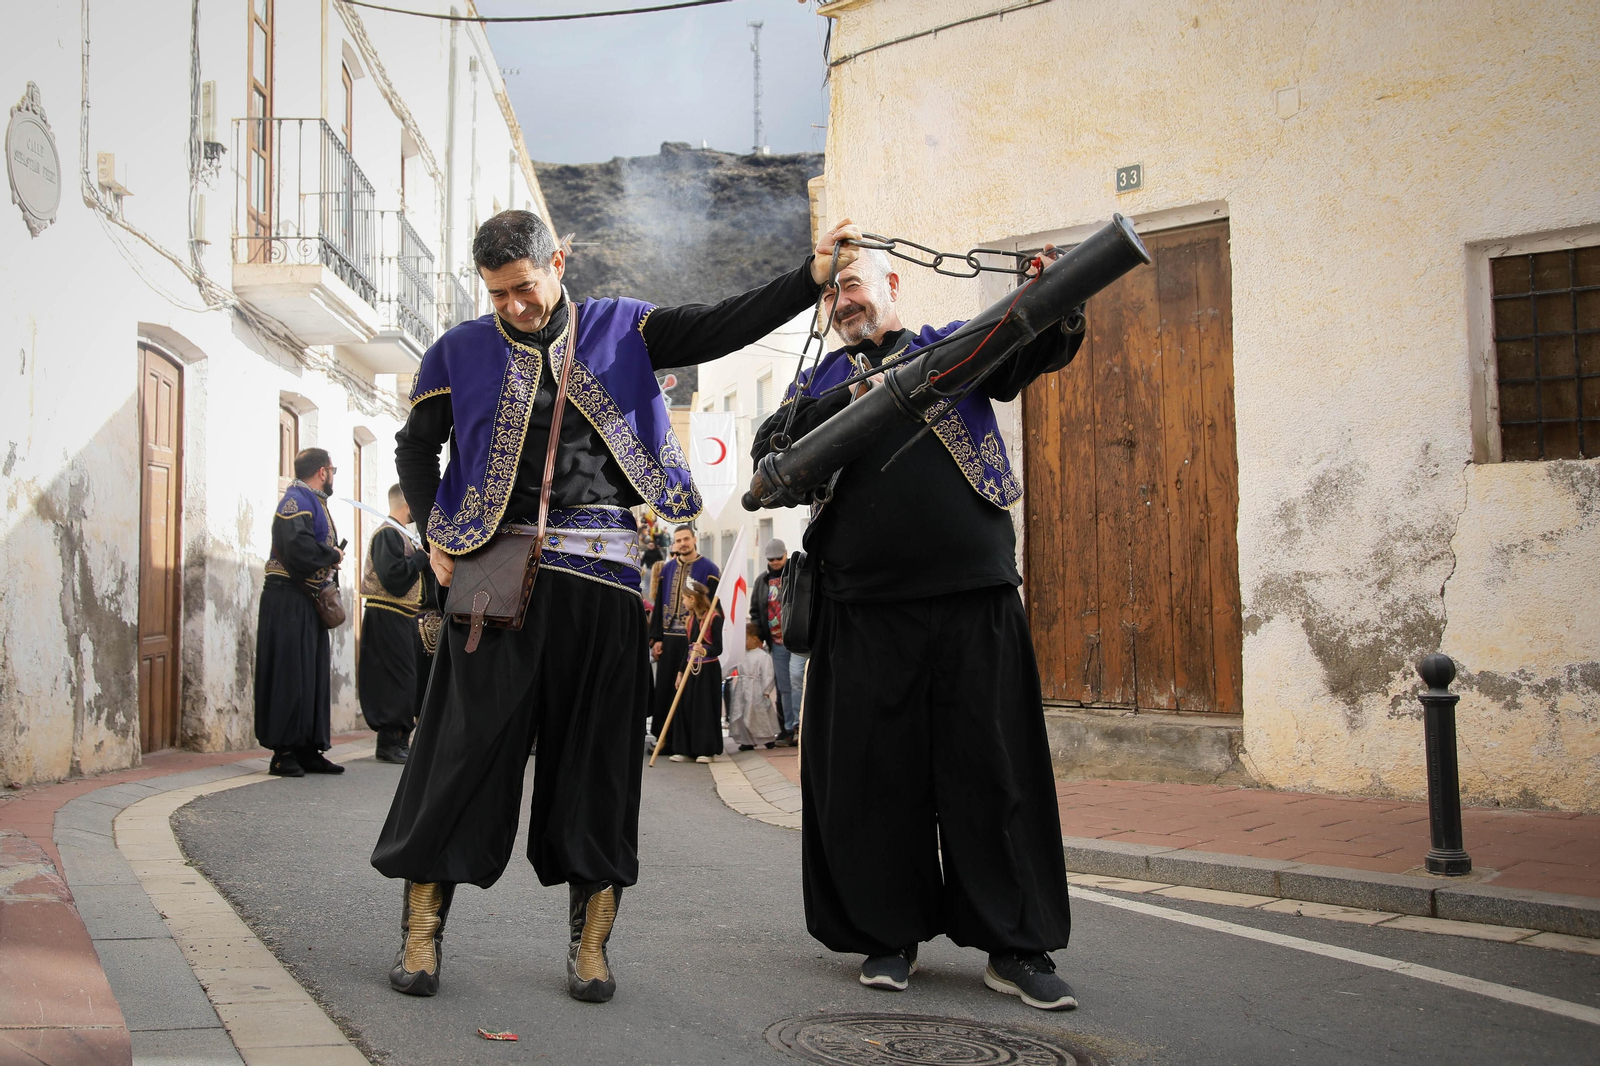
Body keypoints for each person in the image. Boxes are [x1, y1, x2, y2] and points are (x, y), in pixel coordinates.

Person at [371, 209, 863, 1004]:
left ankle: (591, 945)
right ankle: (421, 932)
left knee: (597, 765)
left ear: (558, 264)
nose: (513, 307)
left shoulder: (622, 329)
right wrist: (434, 531)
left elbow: (721, 324)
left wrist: (809, 278)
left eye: (524, 287)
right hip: (493, 584)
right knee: (460, 755)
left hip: (602, 584)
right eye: (497, 294)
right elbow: (413, 447)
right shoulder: (457, 350)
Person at [753, 244, 1084, 1010]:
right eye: (833, 293)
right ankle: (887, 935)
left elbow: (1024, 349)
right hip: (862, 610)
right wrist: (855, 397)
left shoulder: (950, 347)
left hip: (974, 596)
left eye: (853, 284)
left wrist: (1057, 297)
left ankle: (1016, 946)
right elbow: (772, 455)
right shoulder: (817, 381)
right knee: (875, 779)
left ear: (892, 284)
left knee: (994, 771)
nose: (843, 301)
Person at [254, 448, 347, 779]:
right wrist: (332, 554)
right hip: (287, 601)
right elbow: (298, 549)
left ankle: (308, 748)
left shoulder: (313, 500)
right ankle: (283, 752)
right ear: (322, 472)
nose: (332, 476)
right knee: (290, 674)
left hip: (307, 601)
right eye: (332, 470)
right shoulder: (295, 501)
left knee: (311, 675)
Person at [358, 485, 428, 764]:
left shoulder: (401, 534)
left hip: (401, 615)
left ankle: (400, 740)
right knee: (394, 679)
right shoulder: (388, 533)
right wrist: (420, 558)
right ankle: (389, 742)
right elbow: (393, 578)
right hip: (387, 613)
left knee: (405, 678)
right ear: (406, 504)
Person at [648, 525, 719, 741]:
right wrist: (657, 638)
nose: (682, 544)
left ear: (694, 539)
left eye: (686, 539)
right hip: (669, 639)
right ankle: (664, 739)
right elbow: (658, 605)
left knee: (689, 691)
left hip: (694, 640)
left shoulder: (709, 569)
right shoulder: (667, 569)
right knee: (666, 688)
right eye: (678, 540)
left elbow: (714, 607)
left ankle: (687, 741)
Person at [660, 577, 724, 764]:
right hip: (690, 669)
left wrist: (703, 650)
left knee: (703, 709)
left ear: (693, 599)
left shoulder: (714, 619)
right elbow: (686, 649)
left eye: (684, 598)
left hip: (708, 671)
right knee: (686, 707)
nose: (683, 602)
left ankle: (705, 750)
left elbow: (718, 648)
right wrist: (680, 672)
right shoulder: (690, 620)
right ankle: (685, 749)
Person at [750, 540, 797, 744]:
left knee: (797, 679)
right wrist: (758, 636)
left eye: (779, 557)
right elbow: (755, 611)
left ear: (786, 554)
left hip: (796, 639)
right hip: (776, 641)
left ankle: (799, 724)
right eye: (771, 559)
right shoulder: (762, 581)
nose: (776, 562)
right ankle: (788, 727)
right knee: (783, 685)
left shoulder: (795, 575)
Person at [727, 623, 779, 751]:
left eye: (745, 639)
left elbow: (768, 674)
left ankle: (767, 738)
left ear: (755, 639)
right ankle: (747, 740)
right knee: (741, 713)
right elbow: (730, 667)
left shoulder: (763, 656)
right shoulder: (740, 655)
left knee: (759, 714)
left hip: (756, 689)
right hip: (742, 688)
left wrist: (766, 690)